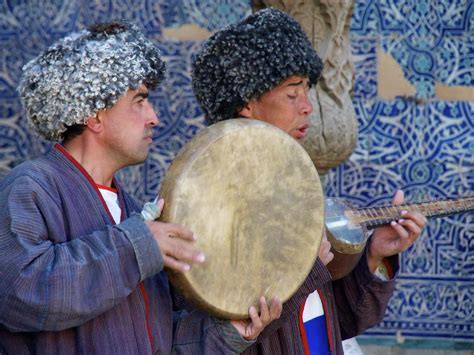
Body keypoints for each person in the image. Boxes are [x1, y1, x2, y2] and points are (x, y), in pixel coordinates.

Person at [0, 21, 282, 354]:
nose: (154, 117)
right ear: (94, 115)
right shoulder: (30, 188)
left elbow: (158, 341)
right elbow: (18, 292)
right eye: (139, 101)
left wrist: (230, 333)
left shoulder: (131, 211)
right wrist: (137, 248)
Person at [191, 8, 427, 354]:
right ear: (246, 104)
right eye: (292, 94)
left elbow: (332, 321)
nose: (307, 107)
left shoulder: (294, 188)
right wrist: (305, 269)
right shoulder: (213, 203)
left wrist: (376, 254)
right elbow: (233, 335)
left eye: (307, 90)